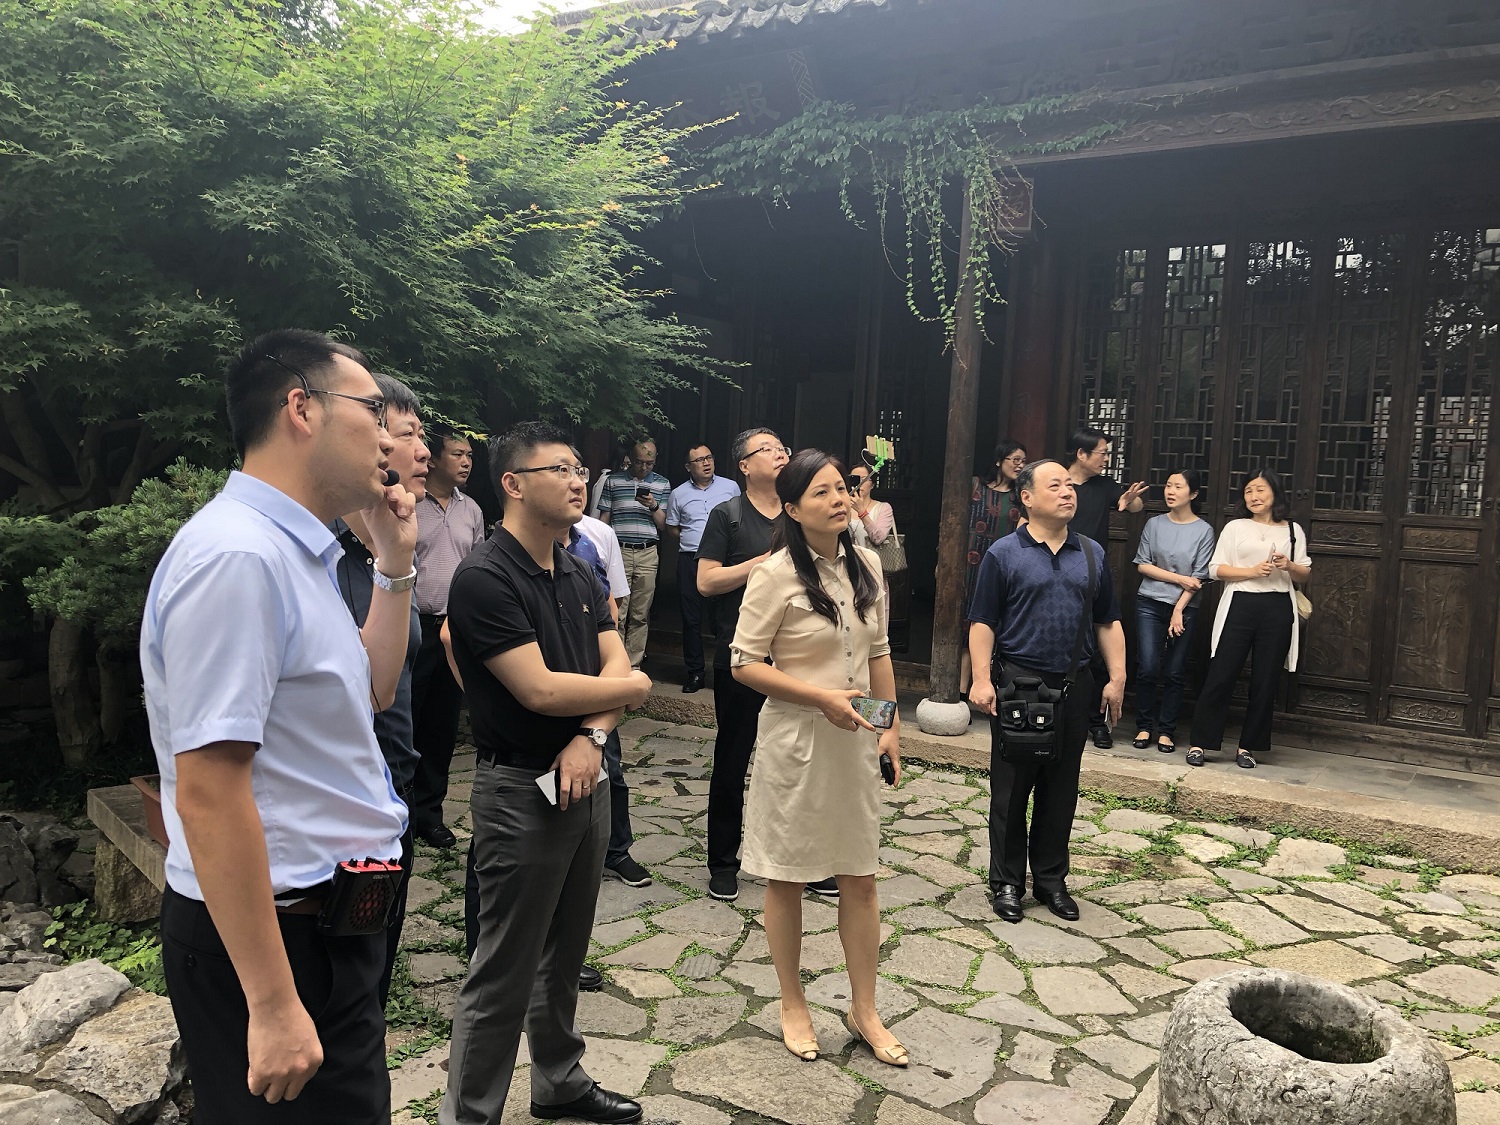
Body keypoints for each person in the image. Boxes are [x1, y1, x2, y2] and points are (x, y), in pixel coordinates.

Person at [143, 329, 412, 1122]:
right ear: (302, 407)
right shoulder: (239, 557)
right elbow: (208, 791)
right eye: (372, 411)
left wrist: (394, 562)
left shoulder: (296, 554)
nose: (391, 439)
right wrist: (271, 1001)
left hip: (326, 930)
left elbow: (372, 690)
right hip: (278, 938)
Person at [441, 422, 651, 1125]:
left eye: (579, 468)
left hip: (586, 778)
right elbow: (539, 689)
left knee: (565, 951)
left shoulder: (578, 569)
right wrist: (628, 692)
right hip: (519, 791)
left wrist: (594, 734)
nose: (576, 479)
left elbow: (614, 664)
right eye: (558, 468)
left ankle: (558, 1078)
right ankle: (470, 1115)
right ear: (512, 483)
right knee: (503, 967)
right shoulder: (485, 577)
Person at [730, 450, 905, 1067]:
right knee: (788, 877)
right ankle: (792, 1002)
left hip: (854, 742)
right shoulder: (775, 574)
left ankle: (865, 1009)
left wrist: (889, 726)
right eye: (822, 492)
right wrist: (821, 698)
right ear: (793, 508)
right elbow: (744, 663)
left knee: (860, 876)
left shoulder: (868, 564)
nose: (838, 500)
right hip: (796, 742)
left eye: (842, 489)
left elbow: (879, 653)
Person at [967, 459, 1126, 926]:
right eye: (1054, 485)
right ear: (1027, 498)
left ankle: (1051, 881)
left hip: (1075, 685)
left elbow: (1107, 620)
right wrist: (981, 678)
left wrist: (1117, 677)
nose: (1067, 492)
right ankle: (1007, 882)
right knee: (1011, 789)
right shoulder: (1003, 554)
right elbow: (983, 621)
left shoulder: (1092, 553)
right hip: (1019, 684)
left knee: (1061, 788)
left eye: (1069, 485)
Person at [697, 429, 834, 903]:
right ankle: (723, 862)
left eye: (782, 449)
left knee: (801, 764)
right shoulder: (728, 515)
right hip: (744, 657)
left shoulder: (801, 512)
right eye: (768, 450)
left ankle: (804, 861)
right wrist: (765, 563)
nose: (779, 455)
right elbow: (706, 582)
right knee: (733, 760)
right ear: (744, 465)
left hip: (799, 660)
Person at [331, 373, 429, 1006]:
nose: (423, 451)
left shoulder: (390, 551)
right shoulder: (319, 559)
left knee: (373, 975)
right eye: (407, 434)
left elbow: (387, 688)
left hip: (394, 787)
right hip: (342, 806)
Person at [1187, 470, 1311, 770]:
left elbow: (1305, 573)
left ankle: (1248, 746)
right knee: (1222, 673)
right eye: (1248, 491)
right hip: (1240, 602)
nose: (1254, 497)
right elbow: (1215, 569)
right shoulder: (1236, 527)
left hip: (1278, 606)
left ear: (1275, 493)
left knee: (1266, 679)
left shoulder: (1292, 530)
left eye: (1260, 490)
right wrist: (1251, 572)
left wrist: (1288, 565)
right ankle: (1200, 742)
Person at [410, 425, 485, 848]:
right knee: (404, 721)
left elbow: (477, 569)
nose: (466, 462)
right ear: (433, 458)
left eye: (469, 455)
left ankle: (429, 814)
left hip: (453, 629)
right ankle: (398, 811)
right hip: (413, 626)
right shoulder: (409, 503)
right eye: (457, 454)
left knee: (441, 725)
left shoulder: (471, 509)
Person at [571, 510, 652, 889]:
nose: (576, 484)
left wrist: (616, 677)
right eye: (564, 478)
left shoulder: (594, 538)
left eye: (578, 478)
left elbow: (613, 605)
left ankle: (616, 850)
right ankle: (569, 852)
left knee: (611, 769)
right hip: (554, 678)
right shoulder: (505, 556)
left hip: (599, 673)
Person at [1065, 427, 1146, 749]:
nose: (1106, 459)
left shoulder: (1104, 485)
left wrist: (1130, 500)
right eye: (1102, 453)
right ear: (1081, 454)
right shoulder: (1059, 483)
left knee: (1096, 650)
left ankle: (1097, 723)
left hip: (1091, 572)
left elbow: (1132, 507)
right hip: (1055, 569)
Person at [1131, 470, 1216, 755]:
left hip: (1185, 607)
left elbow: (1199, 577)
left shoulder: (1204, 531)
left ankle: (1166, 730)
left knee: (1175, 671)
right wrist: (1179, 579)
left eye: (1178, 487)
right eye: (1168, 485)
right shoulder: (1154, 524)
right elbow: (1143, 565)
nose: (1170, 491)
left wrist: (1179, 609)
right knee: (1148, 667)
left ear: (1193, 494)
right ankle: (1144, 725)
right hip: (1149, 602)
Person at [665, 444, 741, 693]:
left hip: (723, 561)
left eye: (709, 457)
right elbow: (673, 527)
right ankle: (695, 673)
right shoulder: (678, 494)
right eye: (699, 460)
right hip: (690, 560)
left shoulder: (730, 487)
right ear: (688, 467)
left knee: (725, 618)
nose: (706, 463)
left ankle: (727, 671)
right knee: (691, 619)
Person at [597, 438, 671, 669]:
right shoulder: (614, 481)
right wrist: (601, 551)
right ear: (630, 457)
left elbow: (663, 525)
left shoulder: (662, 484)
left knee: (641, 613)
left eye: (649, 463)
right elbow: (604, 519)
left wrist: (653, 505)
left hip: (648, 552)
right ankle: (616, 663)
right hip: (618, 551)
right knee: (616, 611)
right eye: (639, 462)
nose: (644, 467)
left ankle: (634, 665)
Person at [962, 440, 1026, 692]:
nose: (1020, 465)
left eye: (1023, 461)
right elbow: (954, 521)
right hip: (971, 563)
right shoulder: (975, 486)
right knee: (967, 626)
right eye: (1015, 460)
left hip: (1003, 565)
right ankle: (961, 690)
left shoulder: (1021, 496)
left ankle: (990, 687)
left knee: (998, 623)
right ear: (999, 461)